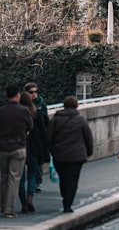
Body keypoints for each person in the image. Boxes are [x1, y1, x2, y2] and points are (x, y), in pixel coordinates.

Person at [48, 95, 94, 214]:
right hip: (76, 157)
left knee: (63, 179)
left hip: (59, 156)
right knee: (72, 180)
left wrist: (52, 151)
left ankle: (65, 197)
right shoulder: (81, 120)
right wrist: (89, 152)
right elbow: (88, 138)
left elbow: (49, 138)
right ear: (76, 106)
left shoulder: (56, 119)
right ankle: (67, 204)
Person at [0, 86, 32, 219]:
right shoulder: (24, 110)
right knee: (14, 179)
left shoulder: (1, 111)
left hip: (2, 148)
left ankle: (2, 206)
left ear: (6, 96)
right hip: (18, 147)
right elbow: (31, 126)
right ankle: (9, 210)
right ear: (18, 95)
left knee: (3, 178)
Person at [17, 84, 47, 215]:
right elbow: (44, 132)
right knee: (32, 176)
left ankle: (23, 202)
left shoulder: (18, 115)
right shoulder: (37, 114)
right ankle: (30, 198)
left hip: (20, 147)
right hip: (34, 148)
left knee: (21, 178)